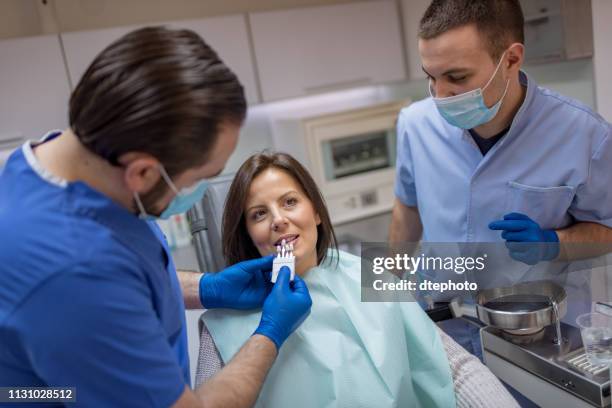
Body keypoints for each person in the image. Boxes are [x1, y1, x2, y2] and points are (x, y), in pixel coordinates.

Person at [0, 27, 312, 407]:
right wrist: (271, 332)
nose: (279, 221)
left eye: (291, 202)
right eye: (201, 177)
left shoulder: (66, 163)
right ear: (143, 174)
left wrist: (207, 288)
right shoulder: (73, 274)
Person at [390, 0, 612, 405]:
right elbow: (407, 209)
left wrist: (554, 241)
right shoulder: (415, 125)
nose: (441, 95)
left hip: (539, 342)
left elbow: (608, 231)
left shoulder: (585, 136)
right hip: (443, 334)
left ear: (510, 59)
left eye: (456, 76)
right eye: (431, 77)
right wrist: (382, 294)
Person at [196, 151, 519, 407]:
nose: (279, 220)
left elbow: (453, 369)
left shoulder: (369, 276)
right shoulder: (223, 324)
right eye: (259, 214)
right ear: (247, 233)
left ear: (317, 213)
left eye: (290, 202)